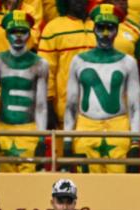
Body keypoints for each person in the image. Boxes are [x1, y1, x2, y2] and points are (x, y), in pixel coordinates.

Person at [64, 3, 140, 174]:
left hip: (118, 128)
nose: (105, 34)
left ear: (117, 30)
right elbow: (71, 104)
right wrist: (67, 139)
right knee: (85, 185)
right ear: (93, 28)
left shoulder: (128, 62)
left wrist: (135, 142)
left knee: (118, 185)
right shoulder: (79, 61)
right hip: (85, 128)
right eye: (101, 28)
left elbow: (135, 106)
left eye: (110, 28)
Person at [0, 11, 48, 173]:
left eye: (22, 31)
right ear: (6, 34)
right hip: (3, 130)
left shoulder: (40, 64)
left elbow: (41, 105)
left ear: (29, 34)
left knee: (30, 185)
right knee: (2, 186)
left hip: (30, 131)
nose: (18, 36)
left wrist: (41, 138)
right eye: (13, 32)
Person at [38, 0, 97, 129]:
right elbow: (46, 71)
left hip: (97, 114)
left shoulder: (99, 27)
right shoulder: (53, 28)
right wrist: (47, 105)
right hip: (64, 113)